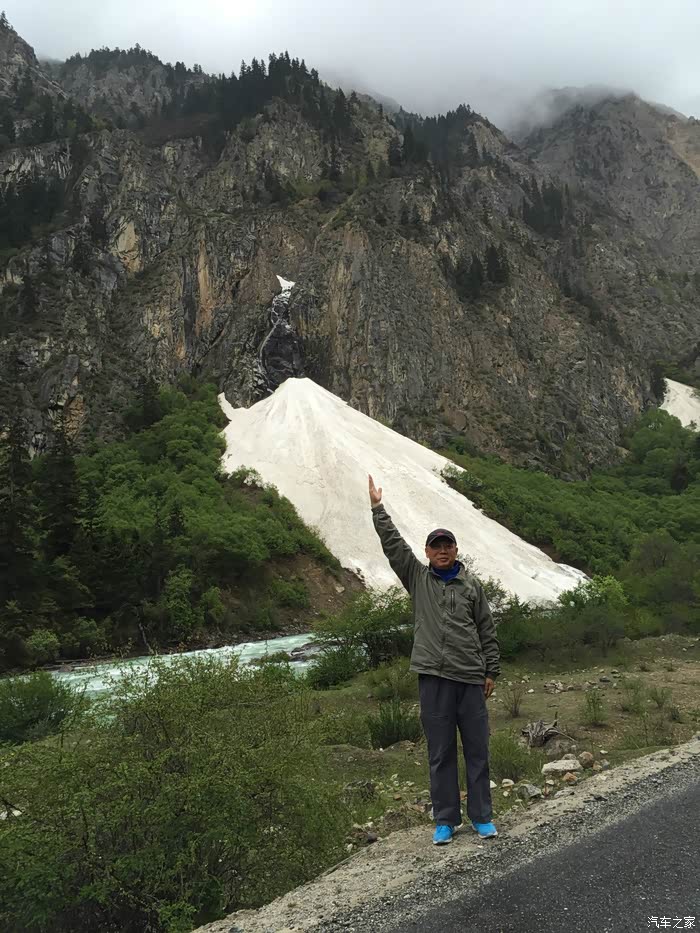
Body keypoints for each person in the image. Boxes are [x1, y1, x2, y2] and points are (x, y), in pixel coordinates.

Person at [368, 474, 500, 844]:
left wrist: (491, 670)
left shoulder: (472, 587)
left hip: (470, 678)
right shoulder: (417, 578)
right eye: (436, 546)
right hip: (433, 678)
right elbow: (394, 547)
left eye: (448, 545)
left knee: (477, 751)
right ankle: (445, 820)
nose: (442, 551)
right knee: (440, 753)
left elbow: (487, 629)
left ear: (456, 550)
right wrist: (378, 509)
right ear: (427, 553)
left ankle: (482, 817)